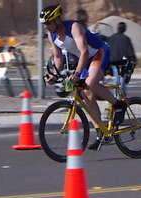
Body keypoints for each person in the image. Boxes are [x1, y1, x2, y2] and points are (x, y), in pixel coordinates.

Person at [40, 4, 127, 150]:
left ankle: (118, 105)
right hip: (85, 60)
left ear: (57, 20)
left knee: (90, 83)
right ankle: (102, 132)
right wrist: (54, 75)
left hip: (98, 53)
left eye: (48, 23)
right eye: (44, 24)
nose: (46, 27)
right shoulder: (52, 35)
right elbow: (58, 57)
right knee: (86, 93)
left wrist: (77, 73)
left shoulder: (74, 27)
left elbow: (85, 51)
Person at [107, 22, 136, 94]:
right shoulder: (125, 39)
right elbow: (130, 52)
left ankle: (116, 96)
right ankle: (121, 97)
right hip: (122, 63)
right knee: (122, 80)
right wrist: (133, 61)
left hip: (112, 62)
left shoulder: (111, 38)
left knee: (117, 79)